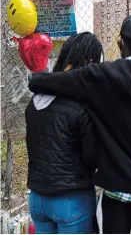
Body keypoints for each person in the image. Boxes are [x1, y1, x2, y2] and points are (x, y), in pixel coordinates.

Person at [28, 15, 131, 234]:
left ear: (121, 42)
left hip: (114, 195)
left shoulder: (102, 76)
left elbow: (48, 82)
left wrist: (37, 79)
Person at [25, 32, 103, 234]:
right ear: (90, 61)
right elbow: (91, 159)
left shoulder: (36, 99)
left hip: (37, 198)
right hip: (71, 198)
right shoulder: (82, 102)